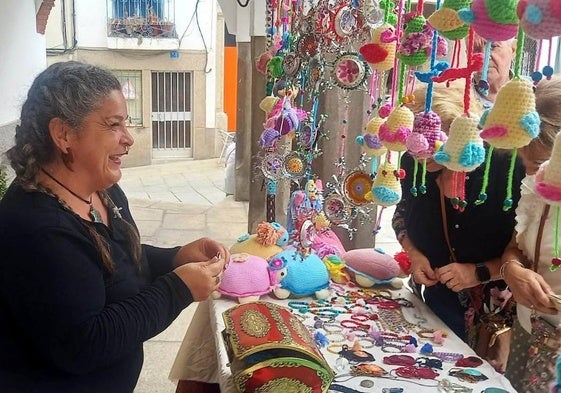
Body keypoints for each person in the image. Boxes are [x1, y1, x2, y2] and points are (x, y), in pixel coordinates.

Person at [0, 61, 230, 393]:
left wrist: (176, 257)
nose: (128, 138)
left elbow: (114, 264)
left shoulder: (103, 190)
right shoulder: (35, 228)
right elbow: (84, 344)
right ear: (64, 134)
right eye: (113, 125)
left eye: (127, 123)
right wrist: (177, 289)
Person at [392, 78, 525, 346]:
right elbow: (401, 213)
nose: (421, 156)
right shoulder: (414, 159)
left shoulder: (503, 167)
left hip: (494, 315)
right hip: (435, 300)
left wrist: (478, 273)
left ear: (460, 136)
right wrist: (414, 254)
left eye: (433, 148)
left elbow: (527, 248)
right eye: (416, 145)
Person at [499, 77, 561, 392]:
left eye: (537, 163)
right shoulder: (533, 189)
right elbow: (515, 247)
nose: (531, 174)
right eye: (524, 163)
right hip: (528, 332)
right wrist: (512, 270)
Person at [472, 35, 516, 108]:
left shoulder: (533, 97)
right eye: (475, 50)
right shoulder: (455, 101)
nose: (483, 57)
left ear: (513, 50)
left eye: (493, 47)